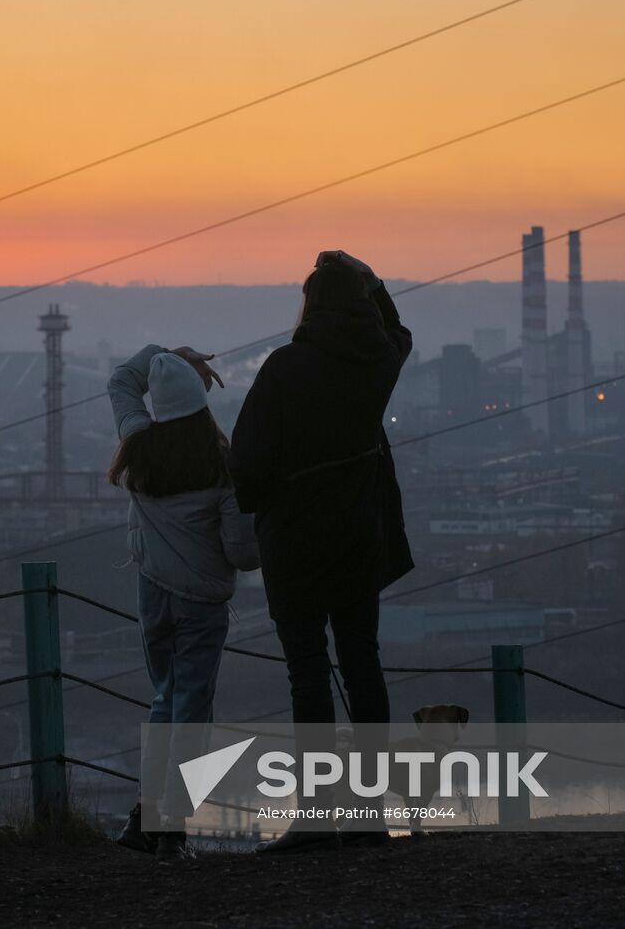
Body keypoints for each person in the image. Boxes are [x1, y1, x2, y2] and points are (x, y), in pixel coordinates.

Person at [230, 250, 414, 852]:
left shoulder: (285, 368)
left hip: (297, 543)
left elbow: (248, 465)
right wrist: (373, 280)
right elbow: (398, 332)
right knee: (363, 664)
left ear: (310, 305)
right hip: (361, 538)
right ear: (360, 303)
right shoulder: (378, 363)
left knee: (307, 673)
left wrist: (269, 498)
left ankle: (314, 817)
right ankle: (367, 815)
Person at [107, 343, 260, 864]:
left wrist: (164, 355)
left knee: (166, 700)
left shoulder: (138, 444)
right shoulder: (222, 467)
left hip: (151, 592)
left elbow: (121, 383)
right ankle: (169, 827)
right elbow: (244, 554)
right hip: (201, 604)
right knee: (190, 709)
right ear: (201, 405)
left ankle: (145, 817)